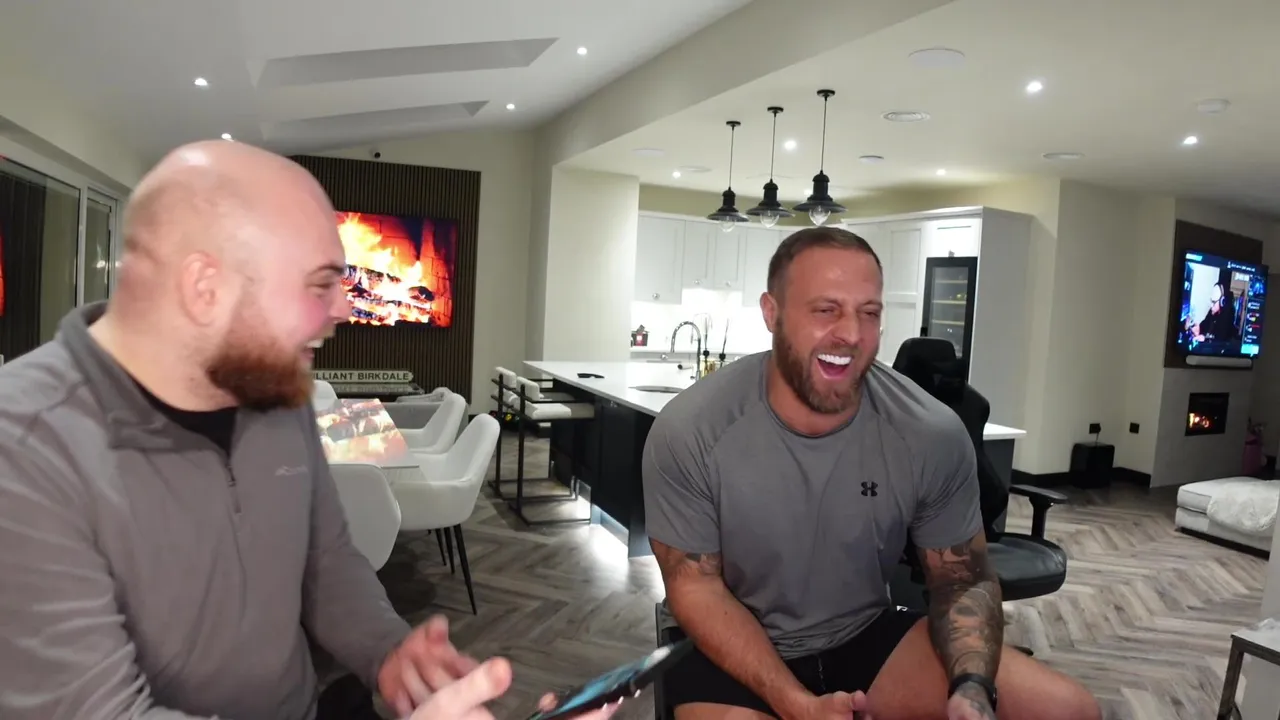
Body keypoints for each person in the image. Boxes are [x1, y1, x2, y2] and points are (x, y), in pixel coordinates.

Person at [0, 141, 612, 720]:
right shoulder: (25, 448)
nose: (344, 307)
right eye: (319, 283)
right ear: (205, 287)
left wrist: (389, 652)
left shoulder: (273, 392)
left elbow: (326, 558)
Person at [641, 227, 1100, 720]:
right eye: (826, 310)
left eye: (869, 313)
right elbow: (696, 590)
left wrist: (972, 686)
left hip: (860, 632)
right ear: (772, 314)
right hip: (727, 645)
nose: (852, 334)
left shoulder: (929, 433)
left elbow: (962, 579)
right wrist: (797, 705)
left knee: (1070, 710)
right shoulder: (692, 430)